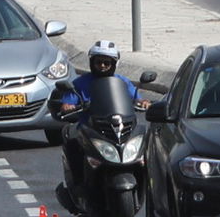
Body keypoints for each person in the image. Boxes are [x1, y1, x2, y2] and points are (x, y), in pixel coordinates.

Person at [56, 40, 152, 189]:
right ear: (91, 62)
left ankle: (146, 182)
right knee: (72, 141)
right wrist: (68, 106)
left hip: (119, 128)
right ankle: (77, 185)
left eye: (106, 63)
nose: (102, 66)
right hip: (90, 129)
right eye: (98, 62)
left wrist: (144, 103)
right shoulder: (80, 83)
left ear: (114, 64)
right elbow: (66, 103)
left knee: (145, 140)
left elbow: (137, 98)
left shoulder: (122, 82)